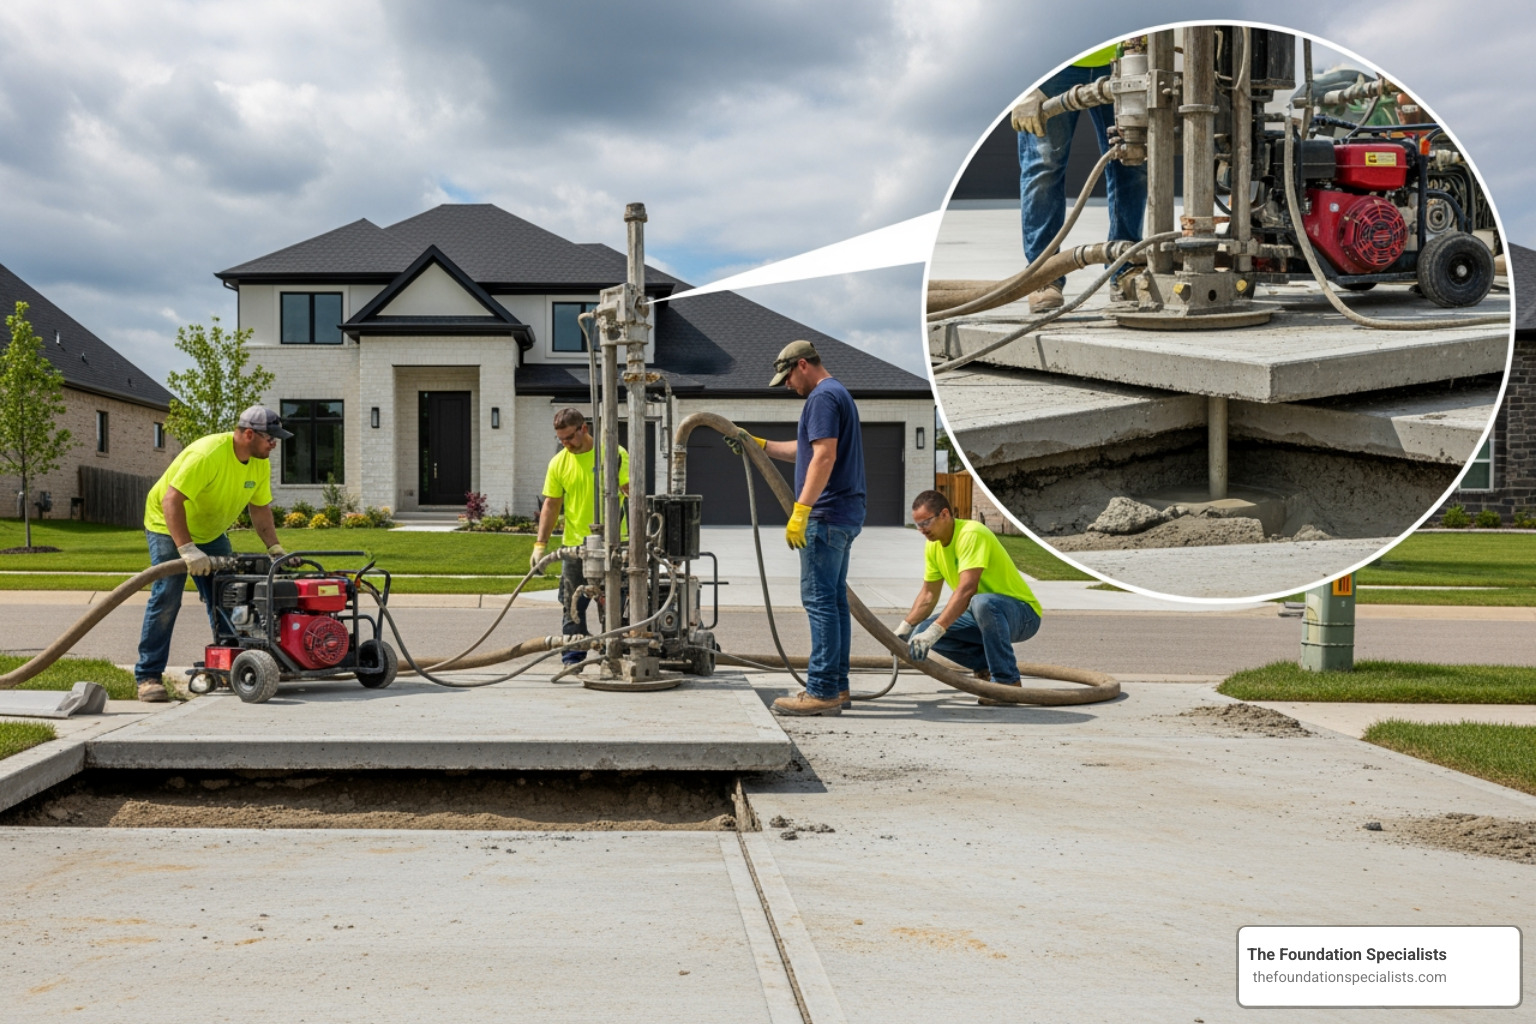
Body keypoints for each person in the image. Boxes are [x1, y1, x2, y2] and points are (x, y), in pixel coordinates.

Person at [735, 340, 866, 717]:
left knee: (821, 603)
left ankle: (822, 690)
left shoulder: (822, 398)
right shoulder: (838, 394)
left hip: (825, 515)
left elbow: (823, 456)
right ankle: (837, 687)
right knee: (836, 602)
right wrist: (758, 445)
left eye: (788, 377)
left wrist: (802, 510)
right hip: (844, 514)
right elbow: (804, 450)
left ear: (803, 365)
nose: (788, 385)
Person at [134, 406, 290, 702]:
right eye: (270, 438)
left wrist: (274, 548)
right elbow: (171, 501)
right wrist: (186, 549)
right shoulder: (207, 454)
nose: (274, 444)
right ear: (248, 434)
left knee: (229, 594)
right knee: (167, 594)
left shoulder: (259, 462)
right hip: (167, 525)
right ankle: (148, 676)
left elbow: (259, 508)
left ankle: (231, 666)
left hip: (211, 532)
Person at [1012, 39, 1148, 312]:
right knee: (1043, 168)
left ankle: (1125, 268)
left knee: (1132, 162)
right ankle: (1043, 275)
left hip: (1124, 57)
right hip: (1051, 66)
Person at [897, 490, 1043, 702]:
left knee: (980, 603)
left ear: (944, 514)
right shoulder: (933, 546)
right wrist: (906, 628)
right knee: (922, 631)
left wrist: (936, 630)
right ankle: (986, 666)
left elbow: (967, 590)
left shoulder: (971, 534)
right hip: (981, 614)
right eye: (918, 525)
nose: (922, 530)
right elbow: (929, 594)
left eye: (926, 522)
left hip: (1022, 614)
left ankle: (1007, 682)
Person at [531, 408, 629, 666]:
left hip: (615, 542)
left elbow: (632, 494)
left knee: (614, 604)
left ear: (584, 429)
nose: (565, 444)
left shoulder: (614, 454)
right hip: (575, 545)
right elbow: (551, 504)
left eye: (569, 438)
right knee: (571, 603)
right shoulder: (559, 462)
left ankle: (614, 653)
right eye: (560, 439)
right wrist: (540, 545)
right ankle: (573, 657)